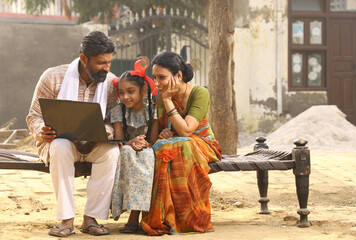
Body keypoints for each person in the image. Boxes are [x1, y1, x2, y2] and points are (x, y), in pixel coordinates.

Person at [26, 30, 120, 237]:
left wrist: (104, 131)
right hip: (59, 142)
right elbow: (33, 115)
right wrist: (42, 131)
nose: (106, 68)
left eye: (109, 62)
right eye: (101, 63)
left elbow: (115, 122)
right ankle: (66, 220)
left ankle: (91, 219)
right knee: (60, 147)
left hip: (95, 145)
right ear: (84, 59)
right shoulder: (52, 77)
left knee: (112, 152)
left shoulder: (112, 84)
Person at [140, 51, 222, 235]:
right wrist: (164, 132)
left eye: (162, 77)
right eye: (155, 78)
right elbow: (154, 140)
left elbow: (187, 130)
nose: (157, 83)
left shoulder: (199, 93)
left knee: (179, 145)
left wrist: (168, 100)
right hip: (175, 144)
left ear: (178, 76)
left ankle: (191, 217)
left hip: (203, 145)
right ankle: (167, 217)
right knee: (164, 146)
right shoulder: (159, 98)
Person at [109, 58, 159, 234]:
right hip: (127, 149)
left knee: (147, 155)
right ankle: (134, 214)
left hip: (147, 149)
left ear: (143, 90)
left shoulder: (153, 110)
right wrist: (132, 143)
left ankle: (142, 214)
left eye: (130, 91)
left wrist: (143, 144)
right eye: (121, 93)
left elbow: (152, 141)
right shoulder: (118, 111)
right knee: (128, 153)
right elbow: (120, 141)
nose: (125, 97)